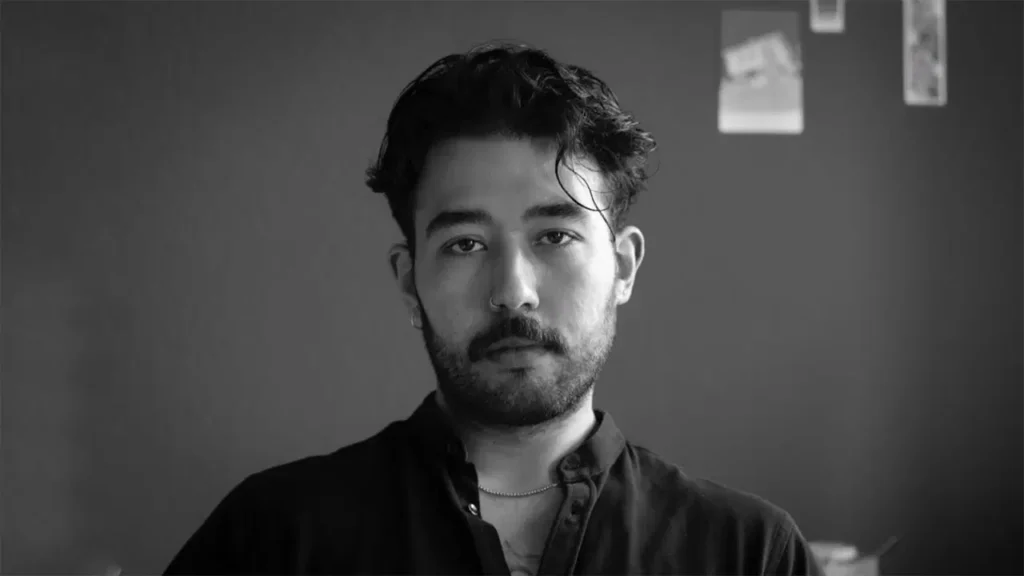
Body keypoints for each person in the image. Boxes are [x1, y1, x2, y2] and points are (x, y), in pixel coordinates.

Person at [164, 41, 823, 576]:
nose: (513, 290)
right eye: (465, 244)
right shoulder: (272, 538)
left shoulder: (750, 554)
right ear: (409, 282)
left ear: (623, 267)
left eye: (555, 236)